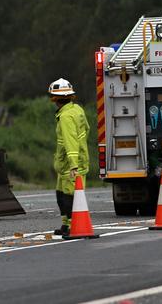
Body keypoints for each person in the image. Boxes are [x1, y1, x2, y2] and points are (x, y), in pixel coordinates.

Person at [48, 78, 90, 237]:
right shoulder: (77, 110)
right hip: (70, 163)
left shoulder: (65, 117)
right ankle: (66, 224)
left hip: (70, 165)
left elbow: (70, 141)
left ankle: (74, 226)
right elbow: (87, 129)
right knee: (61, 194)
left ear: (55, 99)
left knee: (69, 196)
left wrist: (73, 165)